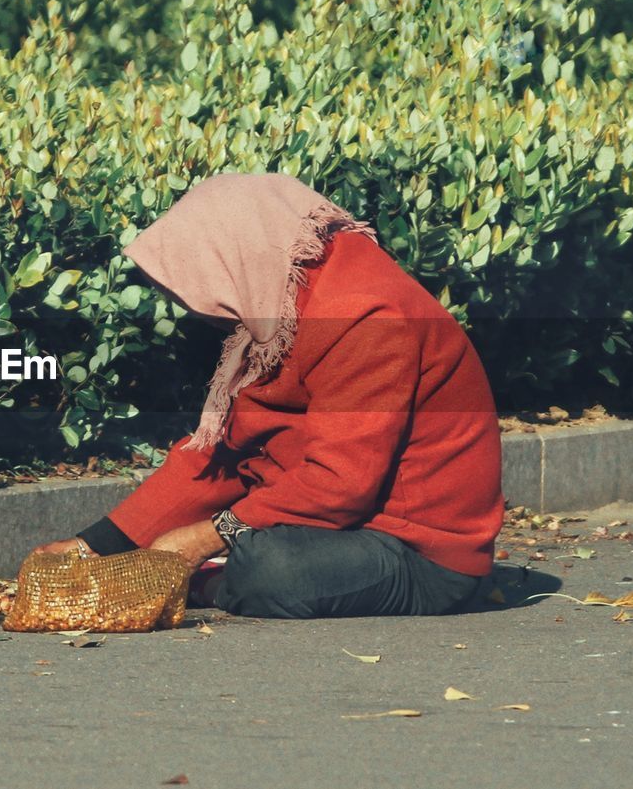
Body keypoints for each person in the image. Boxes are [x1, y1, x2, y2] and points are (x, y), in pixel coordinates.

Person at [35, 173, 502, 618]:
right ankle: (220, 571)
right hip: (338, 531)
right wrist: (93, 545)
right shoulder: (282, 309)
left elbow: (341, 485)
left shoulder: (368, 317)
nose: (200, 308)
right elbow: (222, 458)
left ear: (238, 256)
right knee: (258, 553)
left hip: (421, 554)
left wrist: (201, 541)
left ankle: (209, 582)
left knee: (271, 566)